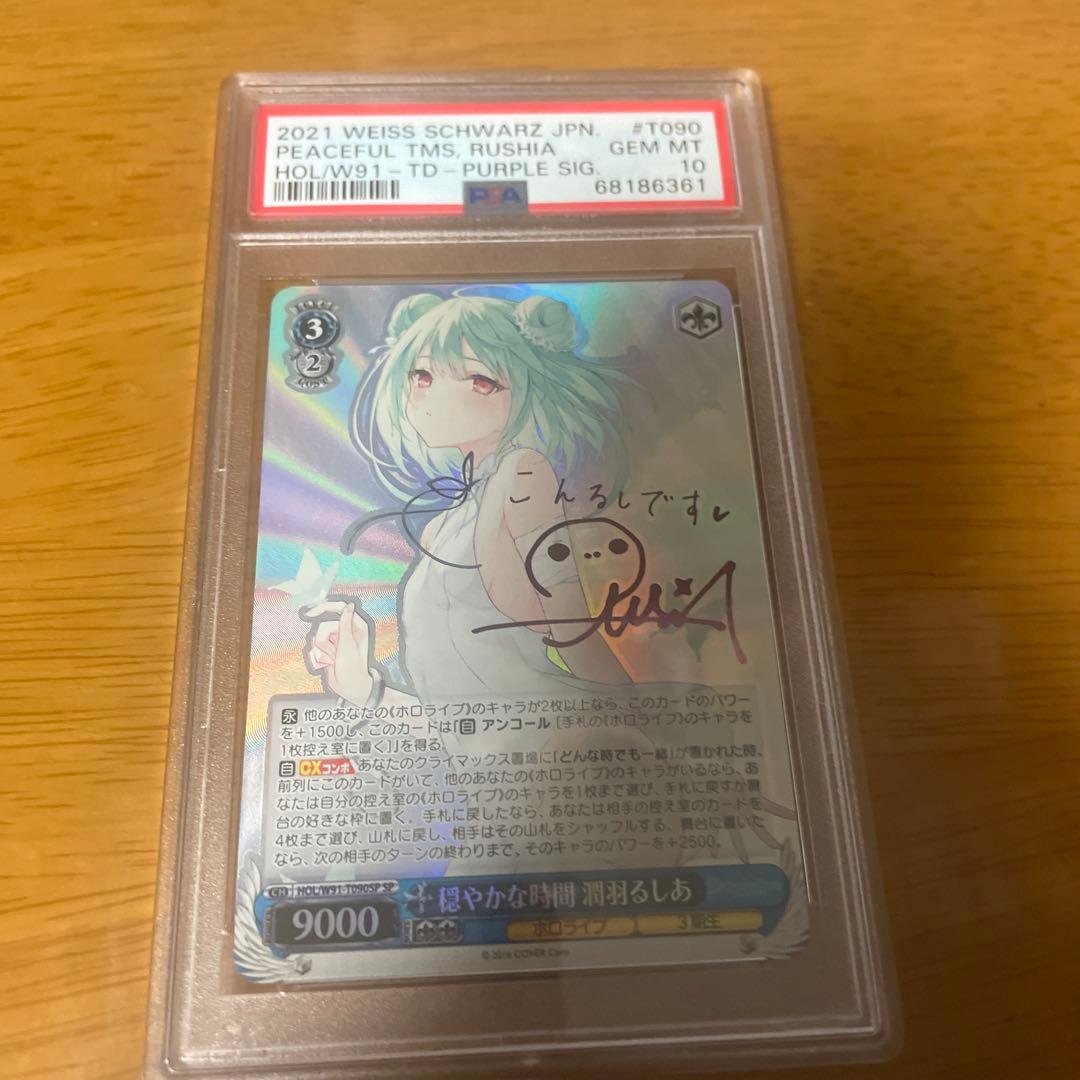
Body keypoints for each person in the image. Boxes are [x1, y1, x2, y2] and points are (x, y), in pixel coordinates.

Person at [302, 290, 641, 706]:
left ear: (525, 389)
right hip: (491, 738)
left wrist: (653, 724)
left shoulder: (523, 474)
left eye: (480, 382)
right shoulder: (441, 529)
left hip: (555, 731)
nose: (436, 400)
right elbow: (453, 722)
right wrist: (364, 688)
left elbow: (575, 634)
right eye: (422, 377)